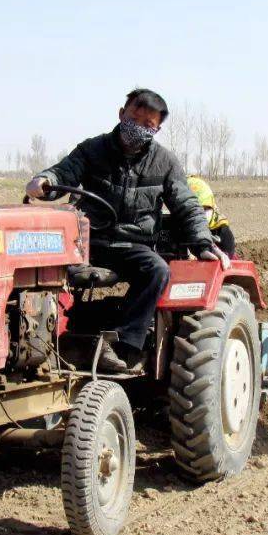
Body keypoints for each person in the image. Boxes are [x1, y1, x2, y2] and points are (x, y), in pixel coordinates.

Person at [25, 89, 230, 373]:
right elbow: (63, 172)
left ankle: (123, 347)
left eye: (148, 125)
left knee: (158, 270)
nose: (139, 128)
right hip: (90, 242)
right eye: (135, 118)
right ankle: (52, 337)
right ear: (122, 114)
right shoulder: (92, 150)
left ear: (157, 129)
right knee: (43, 267)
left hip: (133, 245)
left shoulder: (165, 162)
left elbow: (187, 204)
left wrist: (202, 242)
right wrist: (45, 180)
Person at [187, 175, 237, 258]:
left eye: (205, 209)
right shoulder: (175, 228)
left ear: (212, 207)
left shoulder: (222, 231)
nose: (200, 215)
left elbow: (228, 257)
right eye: (194, 211)